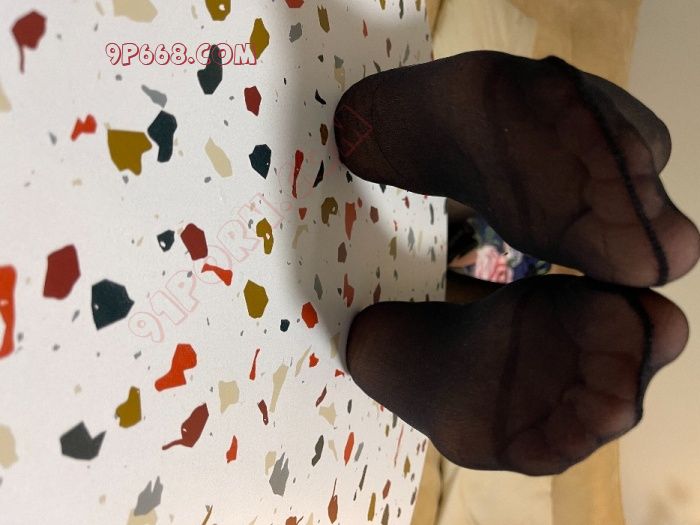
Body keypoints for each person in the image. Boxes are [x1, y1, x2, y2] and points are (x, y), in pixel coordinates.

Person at [333, 51, 700, 476]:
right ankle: (405, 360)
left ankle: (434, 112)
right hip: (482, 252)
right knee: (648, 151)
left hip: (493, 245)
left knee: (652, 143)